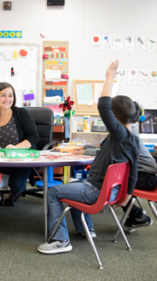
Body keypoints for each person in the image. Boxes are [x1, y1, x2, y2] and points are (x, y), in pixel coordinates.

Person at [38, 60, 140, 255]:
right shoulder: (132, 139)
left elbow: (103, 106)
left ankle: (60, 240)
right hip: (111, 193)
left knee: (53, 193)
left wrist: (108, 78)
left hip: (95, 191)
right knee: (76, 184)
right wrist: (125, 197)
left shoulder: (119, 134)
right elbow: (131, 172)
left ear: (115, 119)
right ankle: (87, 229)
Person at [73, 125, 157, 233]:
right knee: (115, 182)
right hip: (144, 174)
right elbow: (104, 149)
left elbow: (106, 154)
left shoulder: (126, 134)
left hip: (146, 176)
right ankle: (136, 216)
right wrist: (86, 147)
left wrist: (83, 152)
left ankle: (137, 215)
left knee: (113, 184)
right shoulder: (124, 129)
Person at [0, 82, 39, 208]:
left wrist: (16, 147)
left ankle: (13, 193)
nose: (7, 99)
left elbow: (34, 137)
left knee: (16, 184)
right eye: (3, 95)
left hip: (19, 159)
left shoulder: (20, 113)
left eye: (10, 95)